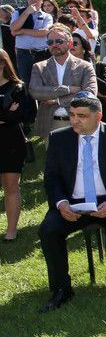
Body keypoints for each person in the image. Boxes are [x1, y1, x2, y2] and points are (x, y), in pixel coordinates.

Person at [37, 94, 106, 311]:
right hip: (72, 201)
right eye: (72, 115)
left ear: (98, 116)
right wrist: (61, 204)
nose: (75, 120)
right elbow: (51, 178)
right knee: (48, 230)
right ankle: (61, 289)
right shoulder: (59, 138)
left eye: (82, 116)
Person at [30, 25, 98, 139]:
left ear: (70, 43)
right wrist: (67, 89)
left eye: (59, 41)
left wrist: (58, 100)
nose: (54, 45)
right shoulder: (39, 67)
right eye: (50, 42)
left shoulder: (85, 66)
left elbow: (89, 94)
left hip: (80, 122)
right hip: (51, 123)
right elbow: (35, 92)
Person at [0, 51, 30, 242]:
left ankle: (11, 231)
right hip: (8, 132)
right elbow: (9, 115)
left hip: (11, 140)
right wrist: (6, 113)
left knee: (11, 185)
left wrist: (8, 116)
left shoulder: (17, 87)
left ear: (3, 64)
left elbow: (24, 116)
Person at [11, 0, 54, 84]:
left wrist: (22, 31)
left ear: (42, 1)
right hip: (24, 53)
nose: (33, 0)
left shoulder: (47, 16)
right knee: (26, 82)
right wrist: (27, 13)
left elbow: (45, 32)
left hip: (41, 53)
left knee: (43, 82)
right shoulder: (18, 12)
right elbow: (13, 28)